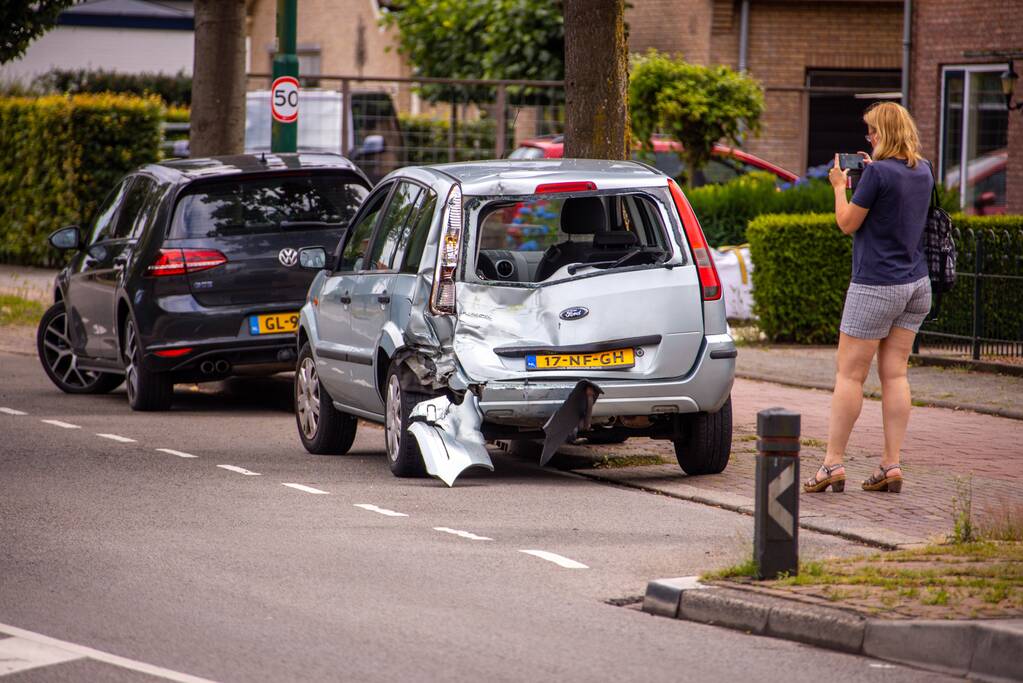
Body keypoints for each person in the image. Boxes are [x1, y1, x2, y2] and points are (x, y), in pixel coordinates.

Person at [803, 101, 934, 494]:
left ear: (885, 133)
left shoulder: (876, 174)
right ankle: (891, 464)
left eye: (872, 132)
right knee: (895, 374)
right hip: (916, 284)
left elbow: (847, 224)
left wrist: (841, 187)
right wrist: (868, 173)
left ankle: (831, 464)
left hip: (876, 284)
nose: (869, 137)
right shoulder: (923, 170)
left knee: (849, 374)